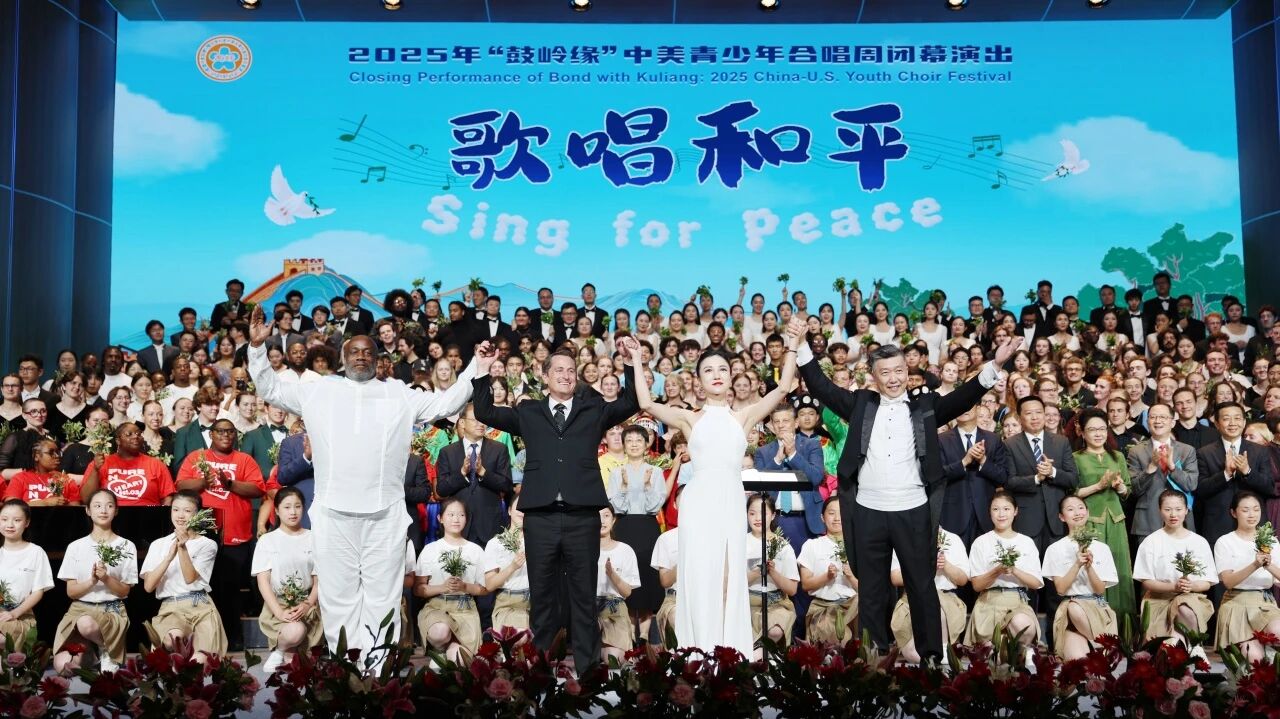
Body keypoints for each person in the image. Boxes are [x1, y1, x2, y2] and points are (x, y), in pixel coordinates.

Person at [248, 306, 489, 666]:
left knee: (383, 596)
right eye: (354, 351)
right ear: (343, 358)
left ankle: (377, 669)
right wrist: (256, 348)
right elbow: (269, 387)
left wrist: (476, 366)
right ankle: (345, 666)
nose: (361, 356)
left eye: (368, 352)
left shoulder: (399, 394)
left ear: (378, 360)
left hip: (384, 515)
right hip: (333, 513)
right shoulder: (318, 391)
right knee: (338, 596)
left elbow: (446, 401)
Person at [798, 329, 1022, 661]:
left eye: (899, 371)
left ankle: (931, 658)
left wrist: (995, 365)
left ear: (908, 371)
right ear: (874, 376)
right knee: (871, 589)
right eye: (885, 372)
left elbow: (962, 398)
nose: (893, 378)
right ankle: (872, 660)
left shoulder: (925, 406)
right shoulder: (860, 404)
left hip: (914, 509)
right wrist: (800, 346)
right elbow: (821, 387)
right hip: (868, 510)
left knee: (921, 586)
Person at [632, 319, 805, 657]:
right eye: (708, 370)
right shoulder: (689, 418)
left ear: (731, 376)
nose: (716, 374)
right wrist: (638, 359)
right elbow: (647, 403)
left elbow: (783, 388)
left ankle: (726, 654)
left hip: (730, 500)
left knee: (728, 578)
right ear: (698, 380)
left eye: (722, 369)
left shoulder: (744, 416)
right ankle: (696, 652)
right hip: (698, 503)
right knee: (699, 578)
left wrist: (794, 343)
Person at [472, 341, 639, 673]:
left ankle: (588, 677)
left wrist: (632, 361)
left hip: (583, 517)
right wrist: (482, 370)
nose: (566, 375)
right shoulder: (528, 411)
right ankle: (540, 676)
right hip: (540, 518)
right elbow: (484, 412)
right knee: (543, 600)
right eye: (559, 370)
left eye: (571, 371)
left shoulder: (593, 410)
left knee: (584, 599)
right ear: (544, 376)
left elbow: (631, 402)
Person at [52, 489, 137, 674]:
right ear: (88, 510)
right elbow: (71, 592)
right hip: (81, 609)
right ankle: (97, 652)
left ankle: (108, 651)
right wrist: (92, 581)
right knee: (63, 667)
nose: (103, 510)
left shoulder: (126, 545)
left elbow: (124, 591)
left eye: (109, 505)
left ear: (116, 510)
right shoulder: (75, 547)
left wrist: (105, 578)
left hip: (110, 610)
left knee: (87, 625)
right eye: (97, 506)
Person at [141, 490, 226, 662]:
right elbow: (149, 586)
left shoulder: (207, 545)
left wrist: (182, 548)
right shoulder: (159, 544)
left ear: (198, 514)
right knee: (172, 639)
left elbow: (190, 578)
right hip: (171, 607)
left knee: (200, 662)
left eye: (187, 511)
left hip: (200, 607)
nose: (180, 515)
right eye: (176, 510)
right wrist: (168, 558)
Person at [1132, 490, 1216, 653]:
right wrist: (1173, 587)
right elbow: (1146, 581)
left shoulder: (1199, 542)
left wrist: (1191, 586)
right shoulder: (1151, 542)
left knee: (1185, 607)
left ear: (1186, 510)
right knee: (1166, 650)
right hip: (1158, 600)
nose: (1173, 514)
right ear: (1159, 510)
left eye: (1178, 509)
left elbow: (1207, 582)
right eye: (1168, 509)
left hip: (1191, 598)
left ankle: (1192, 647)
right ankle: (1191, 649)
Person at [966, 490, 1043, 666]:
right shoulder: (981, 542)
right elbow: (976, 585)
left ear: (1015, 511)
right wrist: (997, 571)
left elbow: (1036, 583)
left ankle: (1023, 648)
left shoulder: (1026, 542)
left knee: (1023, 624)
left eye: (1006, 509)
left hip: (1017, 602)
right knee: (995, 661)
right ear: (990, 512)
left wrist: (1014, 570)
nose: (1001, 514)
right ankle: (1004, 646)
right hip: (988, 603)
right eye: (996, 509)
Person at [1070, 408, 1135, 617]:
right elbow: (1073, 493)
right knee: (1094, 567)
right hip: (1090, 520)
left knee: (1118, 567)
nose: (1098, 434)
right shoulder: (1076, 458)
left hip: (1115, 519)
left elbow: (1127, 491)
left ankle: (1122, 623)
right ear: (1082, 432)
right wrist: (1098, 486)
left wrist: (1119, 486)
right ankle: (1095, 618)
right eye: (1092, 430)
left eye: (1102, 429)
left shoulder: (1117, 456)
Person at [604, 425, 666, 640]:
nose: (634, 444)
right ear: (624, 444)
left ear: (646, 444)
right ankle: (630, 635)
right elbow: (616, 507)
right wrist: (623, 486)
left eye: (638, 440)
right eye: (629, 440)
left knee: (647, 577)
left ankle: (645, 636)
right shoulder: (616, 473)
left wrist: (647, 485)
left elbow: (655, 506)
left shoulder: (656, 472)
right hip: (624, 527)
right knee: (628, 574)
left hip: (647, 527)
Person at [252, 487, 322, 674]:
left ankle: (290, 654)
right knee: (295, 631)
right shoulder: (267, 540)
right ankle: (280, 650)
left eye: (297, 506)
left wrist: (308, 604)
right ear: (276, 510)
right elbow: (263, 582)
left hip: (307, 605)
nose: (293, 512)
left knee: (303, 667)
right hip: (279, 604)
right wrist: (279, 612)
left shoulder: (314, 538)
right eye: (287, 507)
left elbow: (319, 580)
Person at [1043, 495, 1119, 661]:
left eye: (1080, 508)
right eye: (1070, 509)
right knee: (1079, 662)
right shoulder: (1055, 549)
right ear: (1062, 517)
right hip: (1071, 613)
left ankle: (1100, 646)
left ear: (1087, 512)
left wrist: (1089, 567)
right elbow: (1061, 589)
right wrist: (1077, 564)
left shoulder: (1102, 548)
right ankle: (1102, 646)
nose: (1077, 513)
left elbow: (1099, 590)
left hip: (1096, 608)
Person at [1195, 402, 1277, 551]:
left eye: (1237, 418)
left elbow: (1269, 487)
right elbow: (1201, 490)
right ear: (1217, 423)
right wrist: (1225, 474)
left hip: (1254, 526)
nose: (1232, 423)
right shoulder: (1204, 453)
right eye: (1226, 418)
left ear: (1244, 422)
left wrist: (1248, 471)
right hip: (1218, 525)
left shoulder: (1260, 451)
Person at [414, 498, 488, 663]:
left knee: (459, 661)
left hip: (465, 610)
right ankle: (439, 648)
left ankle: (449, 651)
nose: (456, 519)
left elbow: (484, 589)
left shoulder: (475, 550)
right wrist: (442, 587)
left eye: (461, 515)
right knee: (440, 632)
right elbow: (418, 589)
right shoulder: (430, 549)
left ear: (466, 519)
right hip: (437, 608)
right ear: (440, 518)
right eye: (451, 515)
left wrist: (464, 586)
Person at [1213, 491, 1280, 661]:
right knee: (1253, 656)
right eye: (1245, 510)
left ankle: (1270, 655)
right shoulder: (1225, 541)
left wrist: (1269, 565)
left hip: (1264, 603)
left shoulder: (1271, 541)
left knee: (1278, 631)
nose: (1252, 514)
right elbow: (1228, 582)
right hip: (1236, 603)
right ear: (1234, 513)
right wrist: (1254, 565)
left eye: (1256, 509)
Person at [435, 403, 514, 548]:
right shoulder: (447, 452)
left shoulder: (499, 449)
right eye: (476, 420)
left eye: (483, 420)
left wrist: (483, 472)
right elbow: (441, 489)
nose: (481, 424)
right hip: (458, 526)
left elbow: (507, 485)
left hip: (489, 524)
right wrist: (461, 473)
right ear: (462, 422)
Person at [890, 525, 968, 664]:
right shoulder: (904, 537)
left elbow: (963, 580)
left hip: (945, 599)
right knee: (911, 653)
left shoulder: (953, 539)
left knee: (937, 609)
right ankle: (938, 663)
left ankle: (942, 654)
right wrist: (923, 567)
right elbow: (895, 578)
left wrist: (945, 565)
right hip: (911, 599)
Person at [798, 497, 859, 643]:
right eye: (831, 513)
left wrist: (851, 577)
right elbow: (805, 585)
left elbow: (869, 589)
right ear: (822, 517)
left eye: (841, 513)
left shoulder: (858, 546)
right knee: (840, 638)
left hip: (854, 607)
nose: (837, 518)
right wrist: (827, 577)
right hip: (825, 608)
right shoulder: (812, 545)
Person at [746, 494, 800, 653]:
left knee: (775, 632)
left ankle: (760, 655)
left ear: (773, 515)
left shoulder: (783, 545)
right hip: (746, 603)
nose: (758, 518)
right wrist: (757, 572)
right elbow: (730, 583)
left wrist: (773, 572)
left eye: (763, 513)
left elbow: (792, 589)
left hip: (775, 604)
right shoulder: (740, 543)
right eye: (752, 513)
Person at [82, 423, 178, 506]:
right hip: (111, 515)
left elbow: (167, 498)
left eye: (138, 434)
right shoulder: (101, 462)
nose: (135, 436)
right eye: (129, 434)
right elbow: (86, 499)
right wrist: (95, 470)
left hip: (147, 516)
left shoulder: (156, 464)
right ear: (118, 441)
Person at [0, 500, 54, 644]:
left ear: (27, 522)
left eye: (17, 520)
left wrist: (14, 613)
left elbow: (38, 591)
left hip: (20, 616)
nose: (10, 525)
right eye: (4, 519)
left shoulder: (35, 552)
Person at [596, 506, 640, 664]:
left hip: (615, 608)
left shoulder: (625, 550)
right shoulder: (583, 549)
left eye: (606, 516)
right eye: (597, 516)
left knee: (614, 659)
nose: (602, 521)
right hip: (588, 607)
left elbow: (627, 592)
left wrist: (612, 575)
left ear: (613, 520)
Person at [484, 498, 530, 631]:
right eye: (519, 507)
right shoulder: (495, 543)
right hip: (509, 603)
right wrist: (512, 567)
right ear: (509, 510)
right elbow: (489, 585)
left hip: (536, 602)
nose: (522, 512)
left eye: (526, 509)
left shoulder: (539, 542)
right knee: (520, 636)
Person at [4, 438, 81, 505]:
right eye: (51, 453)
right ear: (36, 456)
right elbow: (11, 506)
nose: (57, 456)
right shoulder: (20, 478)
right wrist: (45, 503)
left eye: (57, 452)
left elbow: (75, 510)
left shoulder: (65, 479)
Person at [650, 524, 680, 649]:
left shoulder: (714, 536)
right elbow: (665, 581)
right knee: (676, 616)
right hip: (675, 600)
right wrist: (684, 559)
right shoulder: (667, 538)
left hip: (708, 599)